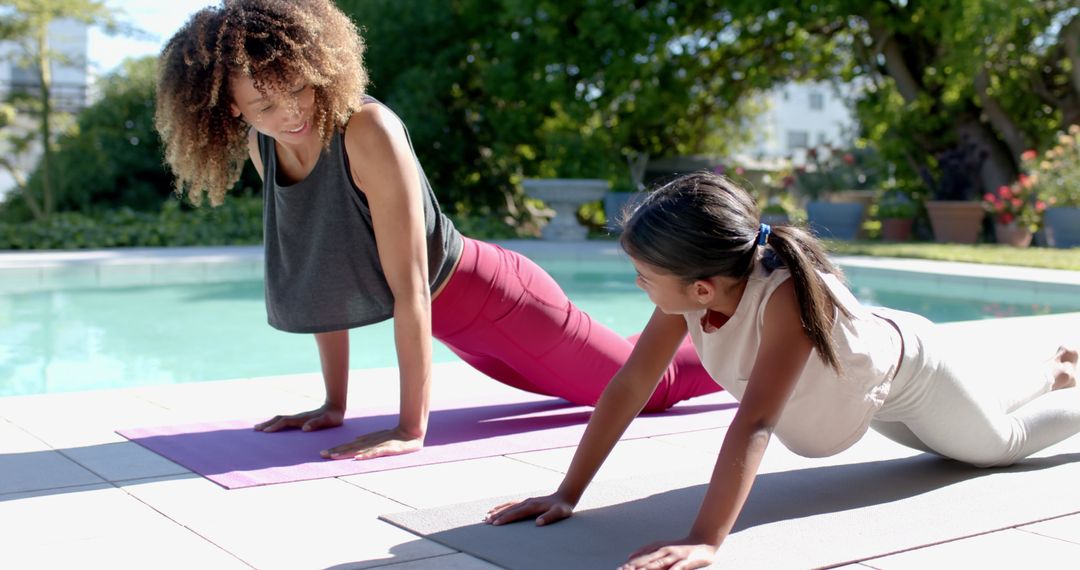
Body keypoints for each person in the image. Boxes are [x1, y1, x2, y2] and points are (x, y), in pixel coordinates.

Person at [153, 0, 720, 462]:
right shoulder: (265, 146)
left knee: (653, 388)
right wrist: (333, 404)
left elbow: (412, 288)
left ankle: (770, 334)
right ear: (229, 110)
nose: (292, 112)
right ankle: (734, 329)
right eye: (264, 105)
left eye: (298, 86)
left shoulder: (367, 129)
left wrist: (409, 427)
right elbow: (322, 267)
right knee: (616, 364)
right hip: (464, 331)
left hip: (498, 303)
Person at [485, 171, 1080, 570]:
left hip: (909, 376)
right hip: (869, 388)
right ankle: (1052, 370)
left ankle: (1060, 381)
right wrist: (568, 493)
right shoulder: (685, 301)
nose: (638, 285)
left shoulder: (785, 298)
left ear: (701, 285)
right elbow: (630, 385)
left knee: (997, 446)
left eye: (644, 275)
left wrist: (705, 538)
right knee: (961, 435)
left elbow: (756, 423)